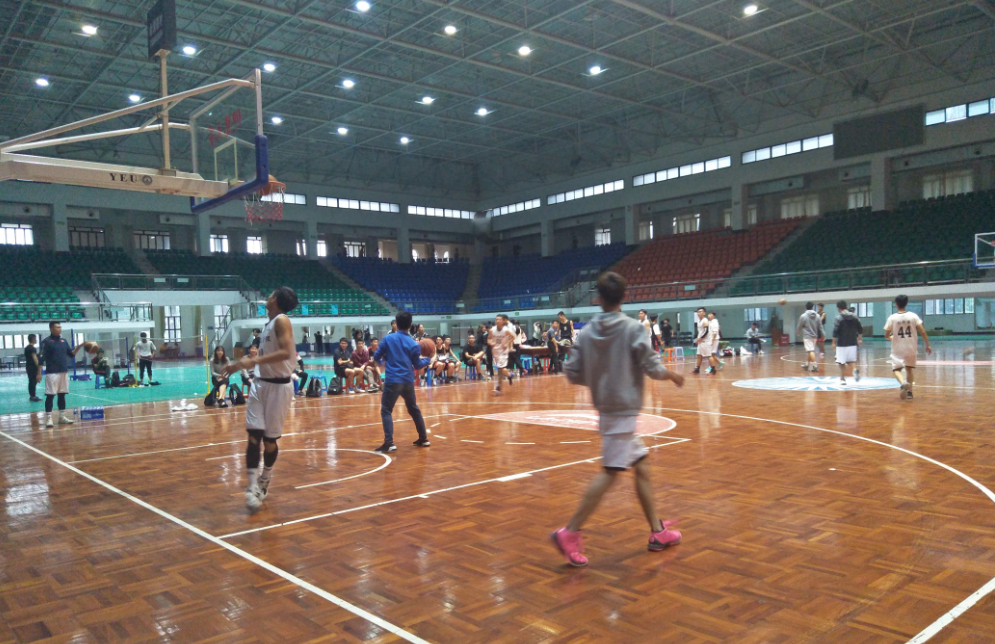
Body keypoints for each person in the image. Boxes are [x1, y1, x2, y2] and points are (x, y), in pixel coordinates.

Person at [551, 272, 685, 567]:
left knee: (642, 467)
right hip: (622, 411)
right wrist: (673, 375)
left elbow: (571, 373)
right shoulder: (633, 328)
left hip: (608, 409)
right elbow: (652, 368)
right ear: (625, 296)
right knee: (610, 472)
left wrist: (599, 379)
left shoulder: (586, 332)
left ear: (597, 298)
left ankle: (657, 531)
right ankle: (568, 532)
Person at [222, 287, 299, 512]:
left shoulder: (281, 320)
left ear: (276, 300)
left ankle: (265, 479)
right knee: (253, 436)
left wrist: (252, 361)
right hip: (259, 384)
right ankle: (252, 486)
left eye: (271, 294)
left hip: (278, 388)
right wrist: (239, 365)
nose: (268, 296)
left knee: (269, 440)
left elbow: (285, 352)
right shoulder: (268, 324)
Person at [373, 311, 432, 453]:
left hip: (393, 380)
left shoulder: (388, 338)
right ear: (410, 325)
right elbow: (417, 365)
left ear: (396, 324)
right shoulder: (414, 343)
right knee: (413, 409)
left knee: (386, 410)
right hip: (408, 381)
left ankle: (389, 443)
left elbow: (376, 357)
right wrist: (428, 359)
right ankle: (423, 438)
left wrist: (383, 361)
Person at [884, 294, 932, 400]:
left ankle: (903, 383)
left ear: (896, 304)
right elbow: (922, 331)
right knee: (909, 369)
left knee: (897, 369)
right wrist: (928, 345)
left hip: (898, 348)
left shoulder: (892, 318)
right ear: (906, 303)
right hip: (911, 347)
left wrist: (891, 338)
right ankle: (910, 392)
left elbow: (886, 335)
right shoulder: (913, 316)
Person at [39, 322, 83, 426]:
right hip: (52, 373)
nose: (59, 329)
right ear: (51, 329)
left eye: (60, 327)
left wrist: (79, 346)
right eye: (57, 327)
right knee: (50, 395)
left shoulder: (64, 341)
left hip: (63, 371)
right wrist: (39, 373)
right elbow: (41, 358)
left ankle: (62, 417)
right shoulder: (46, 342)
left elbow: (71, 354)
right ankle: (49, 418)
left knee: (62, 395)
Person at [833, 300, 863, 386]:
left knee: (841, 362)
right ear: (846, 307)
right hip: (853, 342)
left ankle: (842, 379)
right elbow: (860, 329)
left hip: (842, 343)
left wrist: (833, 342)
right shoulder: (855, 316)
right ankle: (854, 370)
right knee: (851, 360)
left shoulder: (838, 318)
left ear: (838, 309)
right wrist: (859, 339)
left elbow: (835, 331)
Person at [488, 314, 516, 395]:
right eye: (496, 319)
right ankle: (509, 376)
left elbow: (513, 337)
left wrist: (507, 343)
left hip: (503, 351)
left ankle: (498, 387)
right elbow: (488, 339)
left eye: (499, 319)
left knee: (500, 368)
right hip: (495, 351)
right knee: (500, 369)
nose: (497, 321)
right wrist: (490, 343)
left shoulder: (506, 330)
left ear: (503, 321)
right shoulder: (492, 330)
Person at [797, 302, 825, 373]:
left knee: (810, 351)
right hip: (815, 336)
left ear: (806, 307)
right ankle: (807, 364)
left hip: (807, 336)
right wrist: (823, 334)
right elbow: (820, 326)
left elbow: (799, 325)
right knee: (810, 350)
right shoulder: (817, 316)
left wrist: (798, 332)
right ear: (812, 307)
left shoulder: (803, 316)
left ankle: (815, 366)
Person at [692, 307, 717, 375]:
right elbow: (700, 331)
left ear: (704, 313)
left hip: (706, 341)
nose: (699, 313)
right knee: (699, 355)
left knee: (709, 355)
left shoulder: (705, 320)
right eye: (698, 312)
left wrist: (700, 338)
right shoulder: (698, 321)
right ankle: (697, 369)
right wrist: (697, 339)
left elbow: (706, 331)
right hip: (701, 341)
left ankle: (713, 369)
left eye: (700, 311)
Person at [24, 333, 41, 402]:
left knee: (31, 381)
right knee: (33, 382)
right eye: (35, 339)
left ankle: (32, 396)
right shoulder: (32, 348)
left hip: (28, 366)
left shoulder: (27, 348)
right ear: (33, 339)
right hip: (32, 367)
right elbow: (34, 358)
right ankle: (33, 396)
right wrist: (39, 366)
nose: (36, 340)